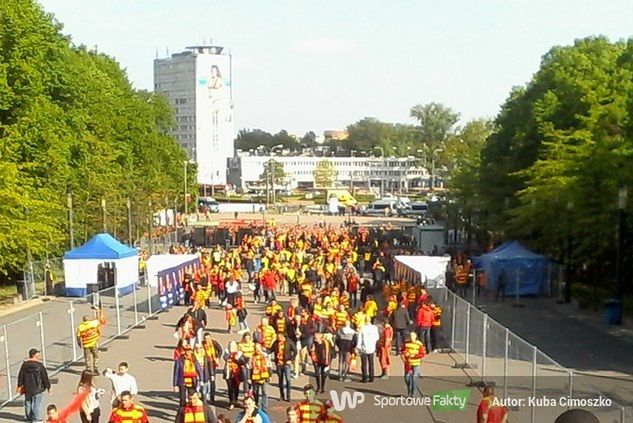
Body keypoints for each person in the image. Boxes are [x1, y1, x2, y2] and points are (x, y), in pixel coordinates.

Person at [17, 348, 51, 423]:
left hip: (27, 387)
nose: (39, 355)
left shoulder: (24, 365)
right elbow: (44, 377)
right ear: (34, 355)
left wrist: (19, 385)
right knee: (36, 403)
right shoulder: (40, 366)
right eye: (37, 353)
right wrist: (48, 387)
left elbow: (20, 376)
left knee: (28, 402)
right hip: (38, 388)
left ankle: (28, 417)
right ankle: (36, 419)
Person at [76, 307, 106, 373]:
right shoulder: (92, 323)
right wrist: (98, 311)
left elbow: (78, 336)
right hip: (93, 343)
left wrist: (79, 343)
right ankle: (95, 368)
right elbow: (98, 320)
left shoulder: (80, 327)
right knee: (96, 356)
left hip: (86, 345)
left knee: (87, 357)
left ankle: (88, 369)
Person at [270, 332, 297, 402]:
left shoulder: (289, 342)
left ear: (282, 337)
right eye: (277, 338)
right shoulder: (276, 343)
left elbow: (295, 351)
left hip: (286, 363)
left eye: (279, 338)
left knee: (288, 379)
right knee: (280, 380)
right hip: (279, 363)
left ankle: (288, 396)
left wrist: (291, 360)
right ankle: (282, 395)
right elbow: (271, 350)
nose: (278, 339)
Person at [401, 332, 425, 397]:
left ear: (415, 336)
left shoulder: (419, 344)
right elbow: (402, 351)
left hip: (416, 363)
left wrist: (414, 355)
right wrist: (405, 354)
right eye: (410, 336)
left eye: (413, 336)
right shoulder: (406, 343)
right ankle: (409, 389)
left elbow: (422, 354)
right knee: (407, 378)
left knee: (414, 378)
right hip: (408, 363)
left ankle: (412, 393)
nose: (411, 337)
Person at [223, 341, 245, 410]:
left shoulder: (239, 353)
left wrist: (237, 358)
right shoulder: (227, 352)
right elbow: (225, 358)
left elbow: (243, 362)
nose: (232, 348)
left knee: (236, 388)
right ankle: (231, 402)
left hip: (237, 373)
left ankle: (236, 400)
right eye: (231, 346)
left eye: (233, 346)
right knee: (230, 388)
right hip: (229, 372)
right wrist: (230, 354)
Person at [357, 315, 379, 383]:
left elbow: (359, 338)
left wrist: (358, 347)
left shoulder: (362, 328)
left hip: (364, 348)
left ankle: (364, 378)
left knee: (364, 363)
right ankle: (371, 377)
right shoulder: (374, 328)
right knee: (371, 363)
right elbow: (377, 337)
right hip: (371, 348)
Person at [251, 342, 270, 411]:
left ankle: (264, 407)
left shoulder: (265, 356)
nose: (257, 350)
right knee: (255, 392)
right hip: (255, 377)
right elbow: (250, 368)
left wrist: (269, 375)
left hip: (264, 376)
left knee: (264, 392)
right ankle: (256, 405)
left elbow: (268, 365)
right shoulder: (252, 357)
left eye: (258, 348)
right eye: (256, 348)